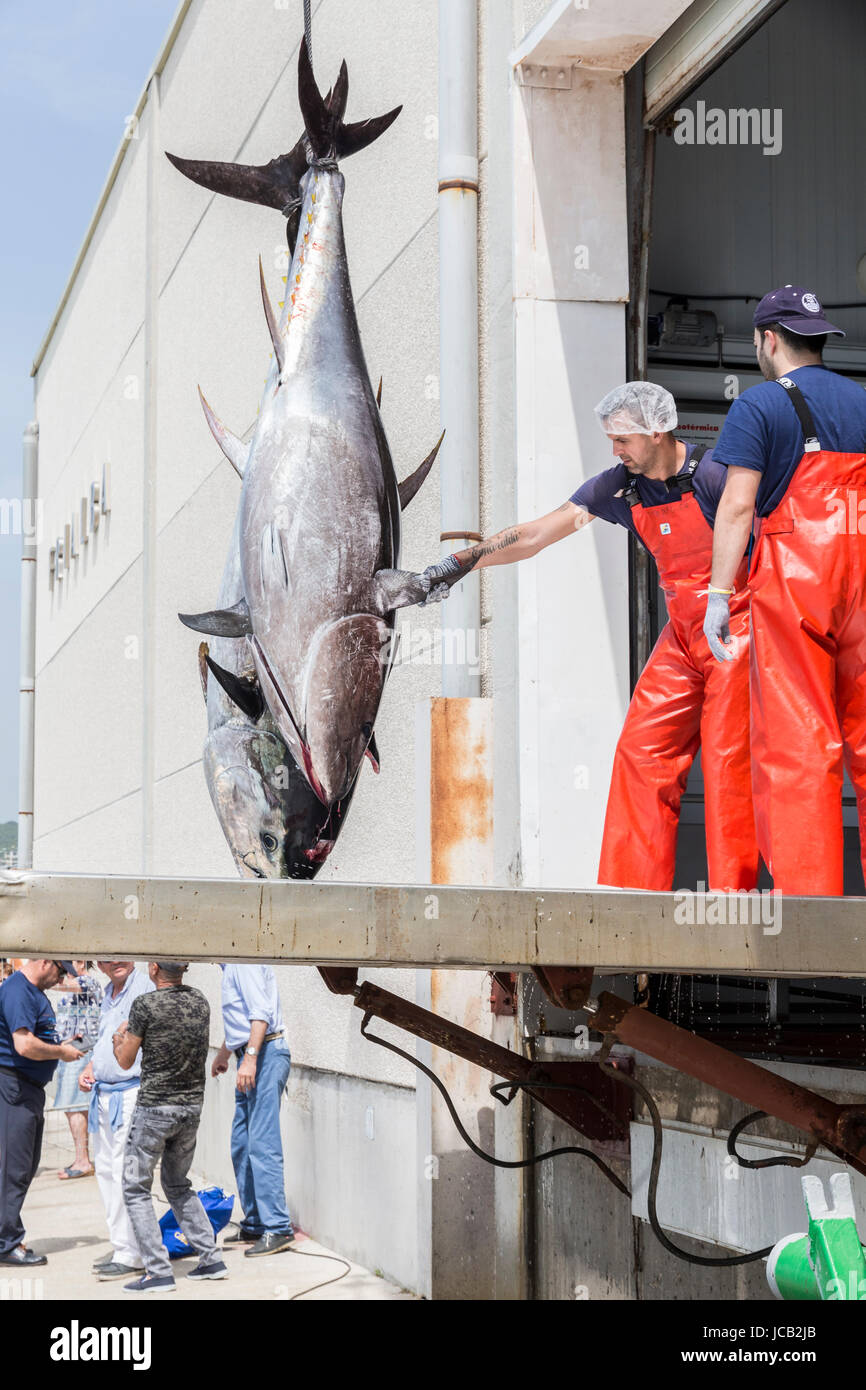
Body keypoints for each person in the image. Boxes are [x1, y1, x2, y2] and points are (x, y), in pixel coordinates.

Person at [419, 382, 759, 891]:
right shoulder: (619, 487)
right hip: (684, 636)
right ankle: (633, 901)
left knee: (727, 758)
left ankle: (736, 906)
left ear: (659, 430)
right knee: (641, 753)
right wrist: (461, 563)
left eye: (623, 439)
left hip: (739, 625)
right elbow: (538, 533)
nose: (615, 451)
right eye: (611, 441)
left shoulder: (713, 475)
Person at [705, 286, 866, 895]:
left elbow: (738, 505)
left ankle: (810, 910)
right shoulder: (862, 400)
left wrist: (720, 594)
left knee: (802, 738)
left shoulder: (759, 405)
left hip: (803, 580)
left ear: (768, 339)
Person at [114, 960, 227, 1293]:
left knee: (135, 1187)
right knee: (178, 1184)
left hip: (154, 1110)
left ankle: (157, 1271)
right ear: (184, 969)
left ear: (152, 969)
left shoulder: (145, 1005)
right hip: (190, 1109)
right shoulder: (200, 1000)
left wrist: (118, 1037)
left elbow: (124, 1061)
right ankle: (211, 1259)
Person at [0, 960, 83, 1266]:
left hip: (27, 1090)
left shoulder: (32, 991)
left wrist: (61, 1046)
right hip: (14, 1088)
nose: (60, 979)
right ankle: (5, 1243)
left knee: (23, 1166)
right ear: (46, 962)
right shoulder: (18, 990)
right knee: (13, 1168)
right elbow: (24, 1045)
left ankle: (7, 1237)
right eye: (60, 972)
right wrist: (61, 1052)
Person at [79, 960, 154, 1281]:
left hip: (131, 1092)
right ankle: (122, 1245)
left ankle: (134, 1252)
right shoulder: (107, 992)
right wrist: (91, 1067)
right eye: (106, 958)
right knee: (106, 1170)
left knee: (127, 1170)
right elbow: (102, 1040)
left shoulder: (145, 987)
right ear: (99, 965)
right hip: (103, 1094)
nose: (115, 962)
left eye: (119, 954)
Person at [212, 964, 294, 1256]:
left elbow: (261, 1015)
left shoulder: (241, 962)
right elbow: (244, 1019)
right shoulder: (231, 966)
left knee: (262, 1143)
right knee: (242, 1143)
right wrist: (225, 1053)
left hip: (265, 1055)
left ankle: (278, 1227)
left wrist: (249, 1059)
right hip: (252, 1054)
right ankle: (257, 1222)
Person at [51, 959, 103, 1180]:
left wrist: (37, 979)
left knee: (75, 1108)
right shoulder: (70, 987)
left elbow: (71, 986)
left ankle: (83, 1161)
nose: (61, 967)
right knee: (73, 1108)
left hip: (82, 1054)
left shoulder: (89, 983)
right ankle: (82, 1158)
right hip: (70, 1053)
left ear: (80, 962)